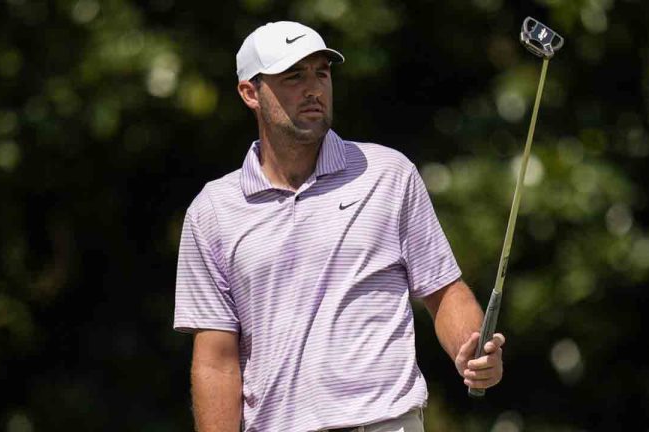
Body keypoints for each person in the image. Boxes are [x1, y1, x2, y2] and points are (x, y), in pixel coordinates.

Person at [174, 21, 505, 432]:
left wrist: (471, 348)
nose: (313, 88)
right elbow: (216, 360)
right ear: (249, 92)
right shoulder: (213, 210)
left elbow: (444, 291)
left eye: (322, 73)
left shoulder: (388, 174)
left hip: (386, 423)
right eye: (294, 76)